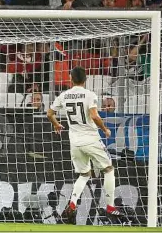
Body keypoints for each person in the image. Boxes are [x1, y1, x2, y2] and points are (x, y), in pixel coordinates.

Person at [46, 66, 123, 225]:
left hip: (75, 142)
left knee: (84, 175)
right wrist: (105, 129)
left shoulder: (64, 95)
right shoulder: (90, 95)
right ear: (85, 79)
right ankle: (109, 206)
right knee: (108, 169)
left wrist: (56, 124)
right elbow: (94, 115)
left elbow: (49, 113)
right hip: (91, 139)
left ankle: (72, 203)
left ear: (71, 78)